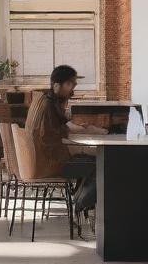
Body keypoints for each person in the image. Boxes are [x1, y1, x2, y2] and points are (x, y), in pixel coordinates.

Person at [24, 65, 96, 211]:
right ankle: (80, 204)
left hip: (41, 161)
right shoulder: (50, 105)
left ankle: (78, 201)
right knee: (99, 164)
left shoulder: (45, 100)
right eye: (69, 84)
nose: (72, 89)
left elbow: (60, 130)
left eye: (73, 84)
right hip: (49, 164)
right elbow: (56, 136)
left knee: (91, 160)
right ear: (56, 85)